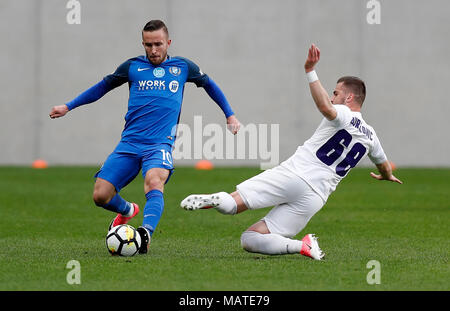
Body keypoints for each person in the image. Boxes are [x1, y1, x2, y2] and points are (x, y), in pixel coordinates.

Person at [180, 44, 402, 260]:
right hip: (315, 197)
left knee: (233, 205)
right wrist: (386, 175)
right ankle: (302, 246)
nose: (333, 97)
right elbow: (383, 163)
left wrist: (310, 71)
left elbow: (326, 108)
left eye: (336, 93)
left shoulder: (344, 113)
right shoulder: (371, 136)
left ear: (349, 98)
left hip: (294, 175)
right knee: (250, 239)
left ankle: (219, 199)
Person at [49, 20, 241, 254]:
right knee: (100, 195)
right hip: (129, 143)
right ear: (143, 43)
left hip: (159, 144)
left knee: (154, 181)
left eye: (158, 44)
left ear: (168, 43)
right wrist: (69, 106)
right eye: (148, 45)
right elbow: (102, 87)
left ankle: (145, 234)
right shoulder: (131, 67)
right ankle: (128, 210)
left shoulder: (183, 68)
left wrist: (229, 115)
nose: (153, 50)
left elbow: (210, 85)